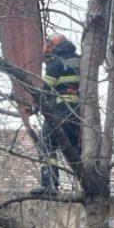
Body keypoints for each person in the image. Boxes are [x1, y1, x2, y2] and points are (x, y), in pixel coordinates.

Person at [36, 33, 81, 195]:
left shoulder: (55, 64)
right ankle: (86, 185)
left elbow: (44, 91)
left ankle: (50, 184)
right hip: (79, 116)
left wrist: (33, 106)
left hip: (61, 112)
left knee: (45, 142)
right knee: (79, 154)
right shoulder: (80, 61)